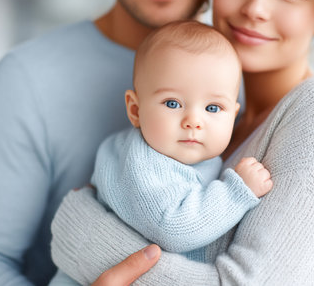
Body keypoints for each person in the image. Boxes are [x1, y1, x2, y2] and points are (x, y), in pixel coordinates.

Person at [0, 0, 314, 285]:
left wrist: (81, 233)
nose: (256, 7)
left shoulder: (300, 99)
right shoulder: (26, 79)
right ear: (135, 105)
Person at [50, 20, 273, 285]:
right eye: (172, 103)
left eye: (213, 108)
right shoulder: (143, 161)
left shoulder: (177, 152)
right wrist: (237, 192)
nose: (193, 121)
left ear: (232, 116)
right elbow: (173, 229)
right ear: (135, 110)